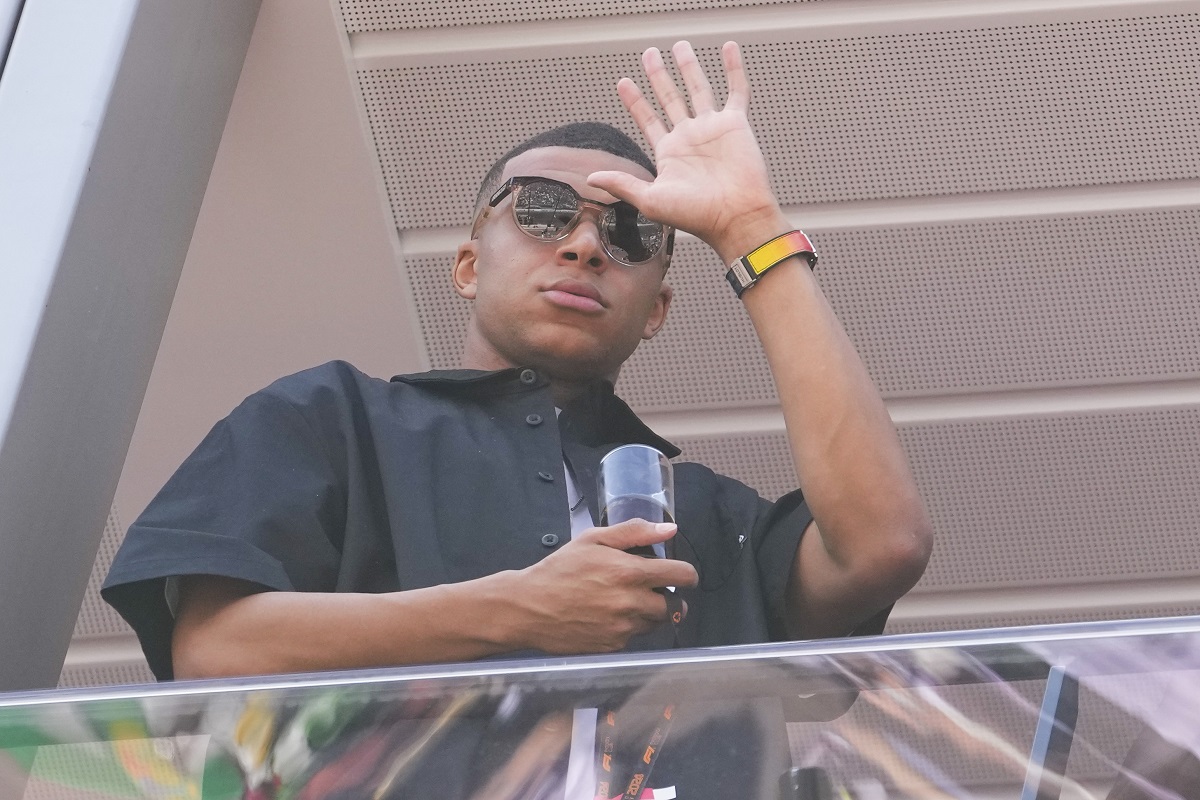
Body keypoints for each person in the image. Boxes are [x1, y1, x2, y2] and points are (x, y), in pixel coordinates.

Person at [103, 40, 932, 798]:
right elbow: (215, 651)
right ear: (469, 265)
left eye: (631, 230)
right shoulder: (333, 418)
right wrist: (520, 609)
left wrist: (750, 228)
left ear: (657, 311)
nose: (583, 246)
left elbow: (881, 546)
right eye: (541, 212)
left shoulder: (710, 518)